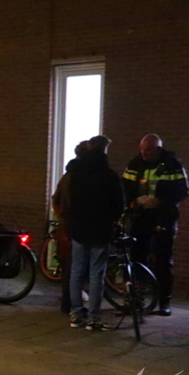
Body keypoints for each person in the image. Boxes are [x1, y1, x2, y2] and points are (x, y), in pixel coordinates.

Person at [122, 134, 189, 316]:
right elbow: (125, 187)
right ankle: (136, 298)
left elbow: (182, 191)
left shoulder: (172, 165)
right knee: (136, 259)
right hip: (140, 217)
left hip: (163, 219)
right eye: (142, 149)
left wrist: (160, 201)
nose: (144, 153)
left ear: (159, 149)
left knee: (163, 260)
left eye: (149, 150)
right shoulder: (135, 163)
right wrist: (132, 202)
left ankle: (164, 301)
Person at [65, 135, 124, 331]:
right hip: (100, 229)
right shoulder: (110, 176)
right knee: (96, 274)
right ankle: (94, 318)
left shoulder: (76, 174)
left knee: (77, 272)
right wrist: (110, 219)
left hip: (78, 228)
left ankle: (76, 315)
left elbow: (70, 201)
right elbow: (119, 205)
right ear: (105, 150)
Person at [52, 140, 91, 313]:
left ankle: (67, 302)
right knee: (76, 266)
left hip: (65, 226)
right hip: (76, 227)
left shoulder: (66, 176)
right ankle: (73, 305)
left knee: (68, 265)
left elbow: (56, 199)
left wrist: (61, 215)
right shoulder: (81, 177)